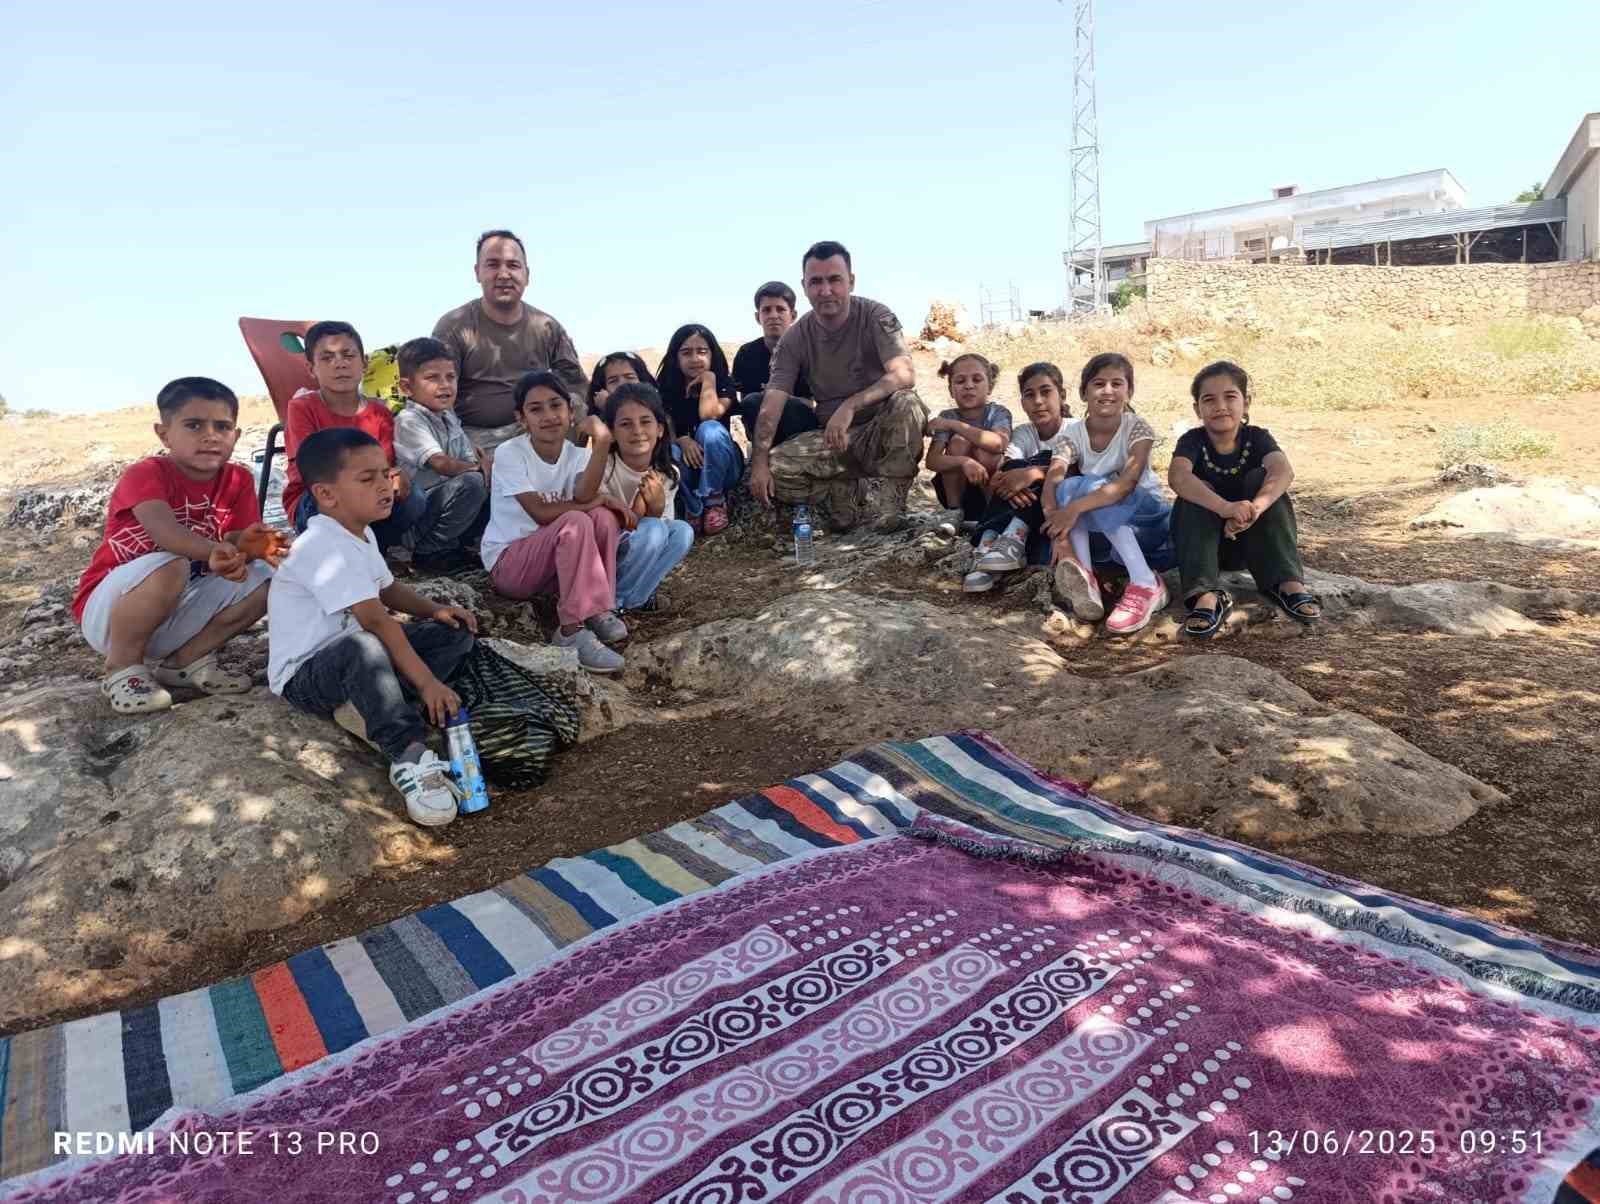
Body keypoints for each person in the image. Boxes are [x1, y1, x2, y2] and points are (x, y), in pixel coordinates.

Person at [268, 428, 479, 828]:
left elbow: (390, 590)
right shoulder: (321, 546)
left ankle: (378, 701)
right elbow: (377, 619)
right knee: (364, 648)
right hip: (307, 673)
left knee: (453, 633)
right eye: (367, 479)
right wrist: (428, 682)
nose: (385, 485)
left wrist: (435, 610)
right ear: (327, 495)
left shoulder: (360, 533)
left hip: (362, 653)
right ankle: (407, 753)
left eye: (386, 474)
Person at [73, 376, 279, 713]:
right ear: (163, 433)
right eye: (194, 425)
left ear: (236, 436)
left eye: (222, 426)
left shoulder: (238, 479)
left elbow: (235, 539)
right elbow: (165, 533)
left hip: (180, 606)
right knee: (172, 563)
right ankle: (122, 666)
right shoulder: (146, 474)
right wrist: (215, 552)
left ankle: (185, 661)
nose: (211, 435)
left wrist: (259, 545)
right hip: (113, 614)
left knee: (269, 579)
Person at [748, 241, 928, 533]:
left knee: (908, 403)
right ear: (804, 287)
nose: (826, 290)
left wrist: (850, 405)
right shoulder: (794, 339)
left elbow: (905, 374)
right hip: (836, 441)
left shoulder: (876, 316)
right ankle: (845, 493)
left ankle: (891, 500)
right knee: (777, 467)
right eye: (816, 282)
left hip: (882, 429)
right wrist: (758, 463)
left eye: (834, 279)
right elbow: (772, 403)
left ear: (851, 281)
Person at [480, 370, 632, 674]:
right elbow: (541, 513)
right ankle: (570, 632)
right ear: (521, 418)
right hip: (511, 563)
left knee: (602, 517)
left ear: (571, 411)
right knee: (576, 519)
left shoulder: (576, 456)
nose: (548, 416)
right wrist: (598, 499)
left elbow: (585, 493)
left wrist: (601, 443)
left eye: (555, 405)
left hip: (554, 562)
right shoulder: (511, 453)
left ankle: (598, 609)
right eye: (536, 409)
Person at [1168, 360, 1321, 637]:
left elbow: (1283, 470)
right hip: (1206, 549)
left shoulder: (1257, 437)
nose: (1220, 406)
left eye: (1230, 396)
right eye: (1209, 399)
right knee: (1194, 489)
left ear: (1246, 403)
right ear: (1197, 409)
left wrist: (1254, 510)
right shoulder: (1192, 441)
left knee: (1261, 480)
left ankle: (1285, 582)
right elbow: (1177, 477)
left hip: (1253, 545)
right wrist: (1226, 509)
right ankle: (1205, 595)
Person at [1042, 353, 1174, 635]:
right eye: (1098, 383)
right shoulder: (1072, 434)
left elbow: (1126, 484)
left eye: (1117, 383)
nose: (1108, 391)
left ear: (1129, 391)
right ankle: (1086, 580)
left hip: (1148, 521)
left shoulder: (1137, 428)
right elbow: (1053, 479)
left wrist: (1073, 510)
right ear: (1084, 392)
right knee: (1067, 486)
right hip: (1110, 532)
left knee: (1090, 486)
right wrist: (1058, 530)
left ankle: (1146, 582)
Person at [431, 229, 588, 456]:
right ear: (477, 272)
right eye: (493, 265)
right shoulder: (453, 327)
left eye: (513, 266)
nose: (503, 274)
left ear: (527, 274)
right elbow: (435, 396)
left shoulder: (546, 326)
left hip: (538, 430)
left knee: (577, 406)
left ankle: (571, 480)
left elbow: (575, 383)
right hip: (477, 438)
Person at [281, 321, 425, 558]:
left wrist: (395, 477)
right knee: (334, 494)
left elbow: (384, 467)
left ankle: (373, 549)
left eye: (348, 355)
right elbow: (310, 471)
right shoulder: (302, 408)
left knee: (414, 495)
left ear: (365, 364)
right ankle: (341, 553)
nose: (340, 363)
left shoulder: (380, 413)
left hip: (366, 494)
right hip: (316, 498)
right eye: (327, 358)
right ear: (311, 369)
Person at [964, 361, 1073, 592]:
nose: (1038, 401)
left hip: (1056, 512)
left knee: (1047, 460)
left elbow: (1081, 474)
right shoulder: (1025, 432)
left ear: (1061, 395)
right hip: (1028, 507)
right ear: (1022, 402)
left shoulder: (1076, 429)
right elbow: (1002, 475)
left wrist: (1031, 475)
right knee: (1013, 467)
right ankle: (990, 543)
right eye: (1029, 395)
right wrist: (1016, 482)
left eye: (1046, 392)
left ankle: (1015, 533)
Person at [391, 337, 490, 572]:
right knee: (474, 482)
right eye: (432, 378)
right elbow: (441, 463)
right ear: (407, 387)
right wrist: (479, 468)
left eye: (450, 377)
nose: (445, 385)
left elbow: (469, 458)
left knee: (492, 479)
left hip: (445, 502)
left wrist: (484, 466)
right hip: (421, 510)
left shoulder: (448, 416)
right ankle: (429, 550)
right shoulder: (409, 420)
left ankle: (460, 544)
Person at [599, 383, 696, 610]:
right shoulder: (603, 467)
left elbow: (661, 534)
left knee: (682, 531)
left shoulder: (668, 474)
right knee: (653, 529)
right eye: (625, 424)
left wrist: (655, 509)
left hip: (639, 546)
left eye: (645, 421)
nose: (637, 431)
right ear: (611, 432)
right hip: (605, 551)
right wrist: (646, 510)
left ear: (660, 429)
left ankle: (635, 599)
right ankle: (612, 601)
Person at [655, 323, 745, 534]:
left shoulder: (724, 385)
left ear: (712, 355)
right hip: (688, 469)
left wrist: (709, 380)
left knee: (710, 429)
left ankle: (714, 501)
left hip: (723, 467)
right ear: (675, 357)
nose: (695, 358)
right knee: (671, 450)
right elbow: (666, 433)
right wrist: (682, 440)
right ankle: (693, 507)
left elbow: (709, 414)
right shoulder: (665, 390)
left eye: (702, 352)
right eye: (686, 352)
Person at [923, 353, 1012, 524]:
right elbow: (932, 461)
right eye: (960, 381)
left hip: (995, 491)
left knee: (986, 449)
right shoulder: (947, 415)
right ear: (951, 390)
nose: (969, 386)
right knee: (958, 442)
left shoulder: (998, 412)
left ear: (990, 387)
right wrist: (963, 461)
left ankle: (993, 515)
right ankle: (953, 513)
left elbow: (999, 444)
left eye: (977, 379)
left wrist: (954, 426)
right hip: (958, 493)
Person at [731, 281, 813, 446]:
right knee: (753, 402)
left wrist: (776, 397)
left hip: (798, 427)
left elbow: (809, 403)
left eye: (781, 309)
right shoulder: (746, 354)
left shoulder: (808, 352)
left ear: (793, 315)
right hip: (760, 426)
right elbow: (747, 402)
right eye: (766, 310)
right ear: (757, 317)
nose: (773, 315)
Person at [585, 351, 658, 418]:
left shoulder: (658, 410)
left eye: (630, 377)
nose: (622, 384)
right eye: (613, 381)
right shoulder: (594, 422)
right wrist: (607, 408)